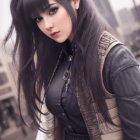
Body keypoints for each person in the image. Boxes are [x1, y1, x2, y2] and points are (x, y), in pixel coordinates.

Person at [3, 0, 140, 139]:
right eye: (38, 18)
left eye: (52, 10)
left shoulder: (115, 58)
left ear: (75, 2)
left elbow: (136, 132)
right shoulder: (57, 58)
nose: (47, 25)